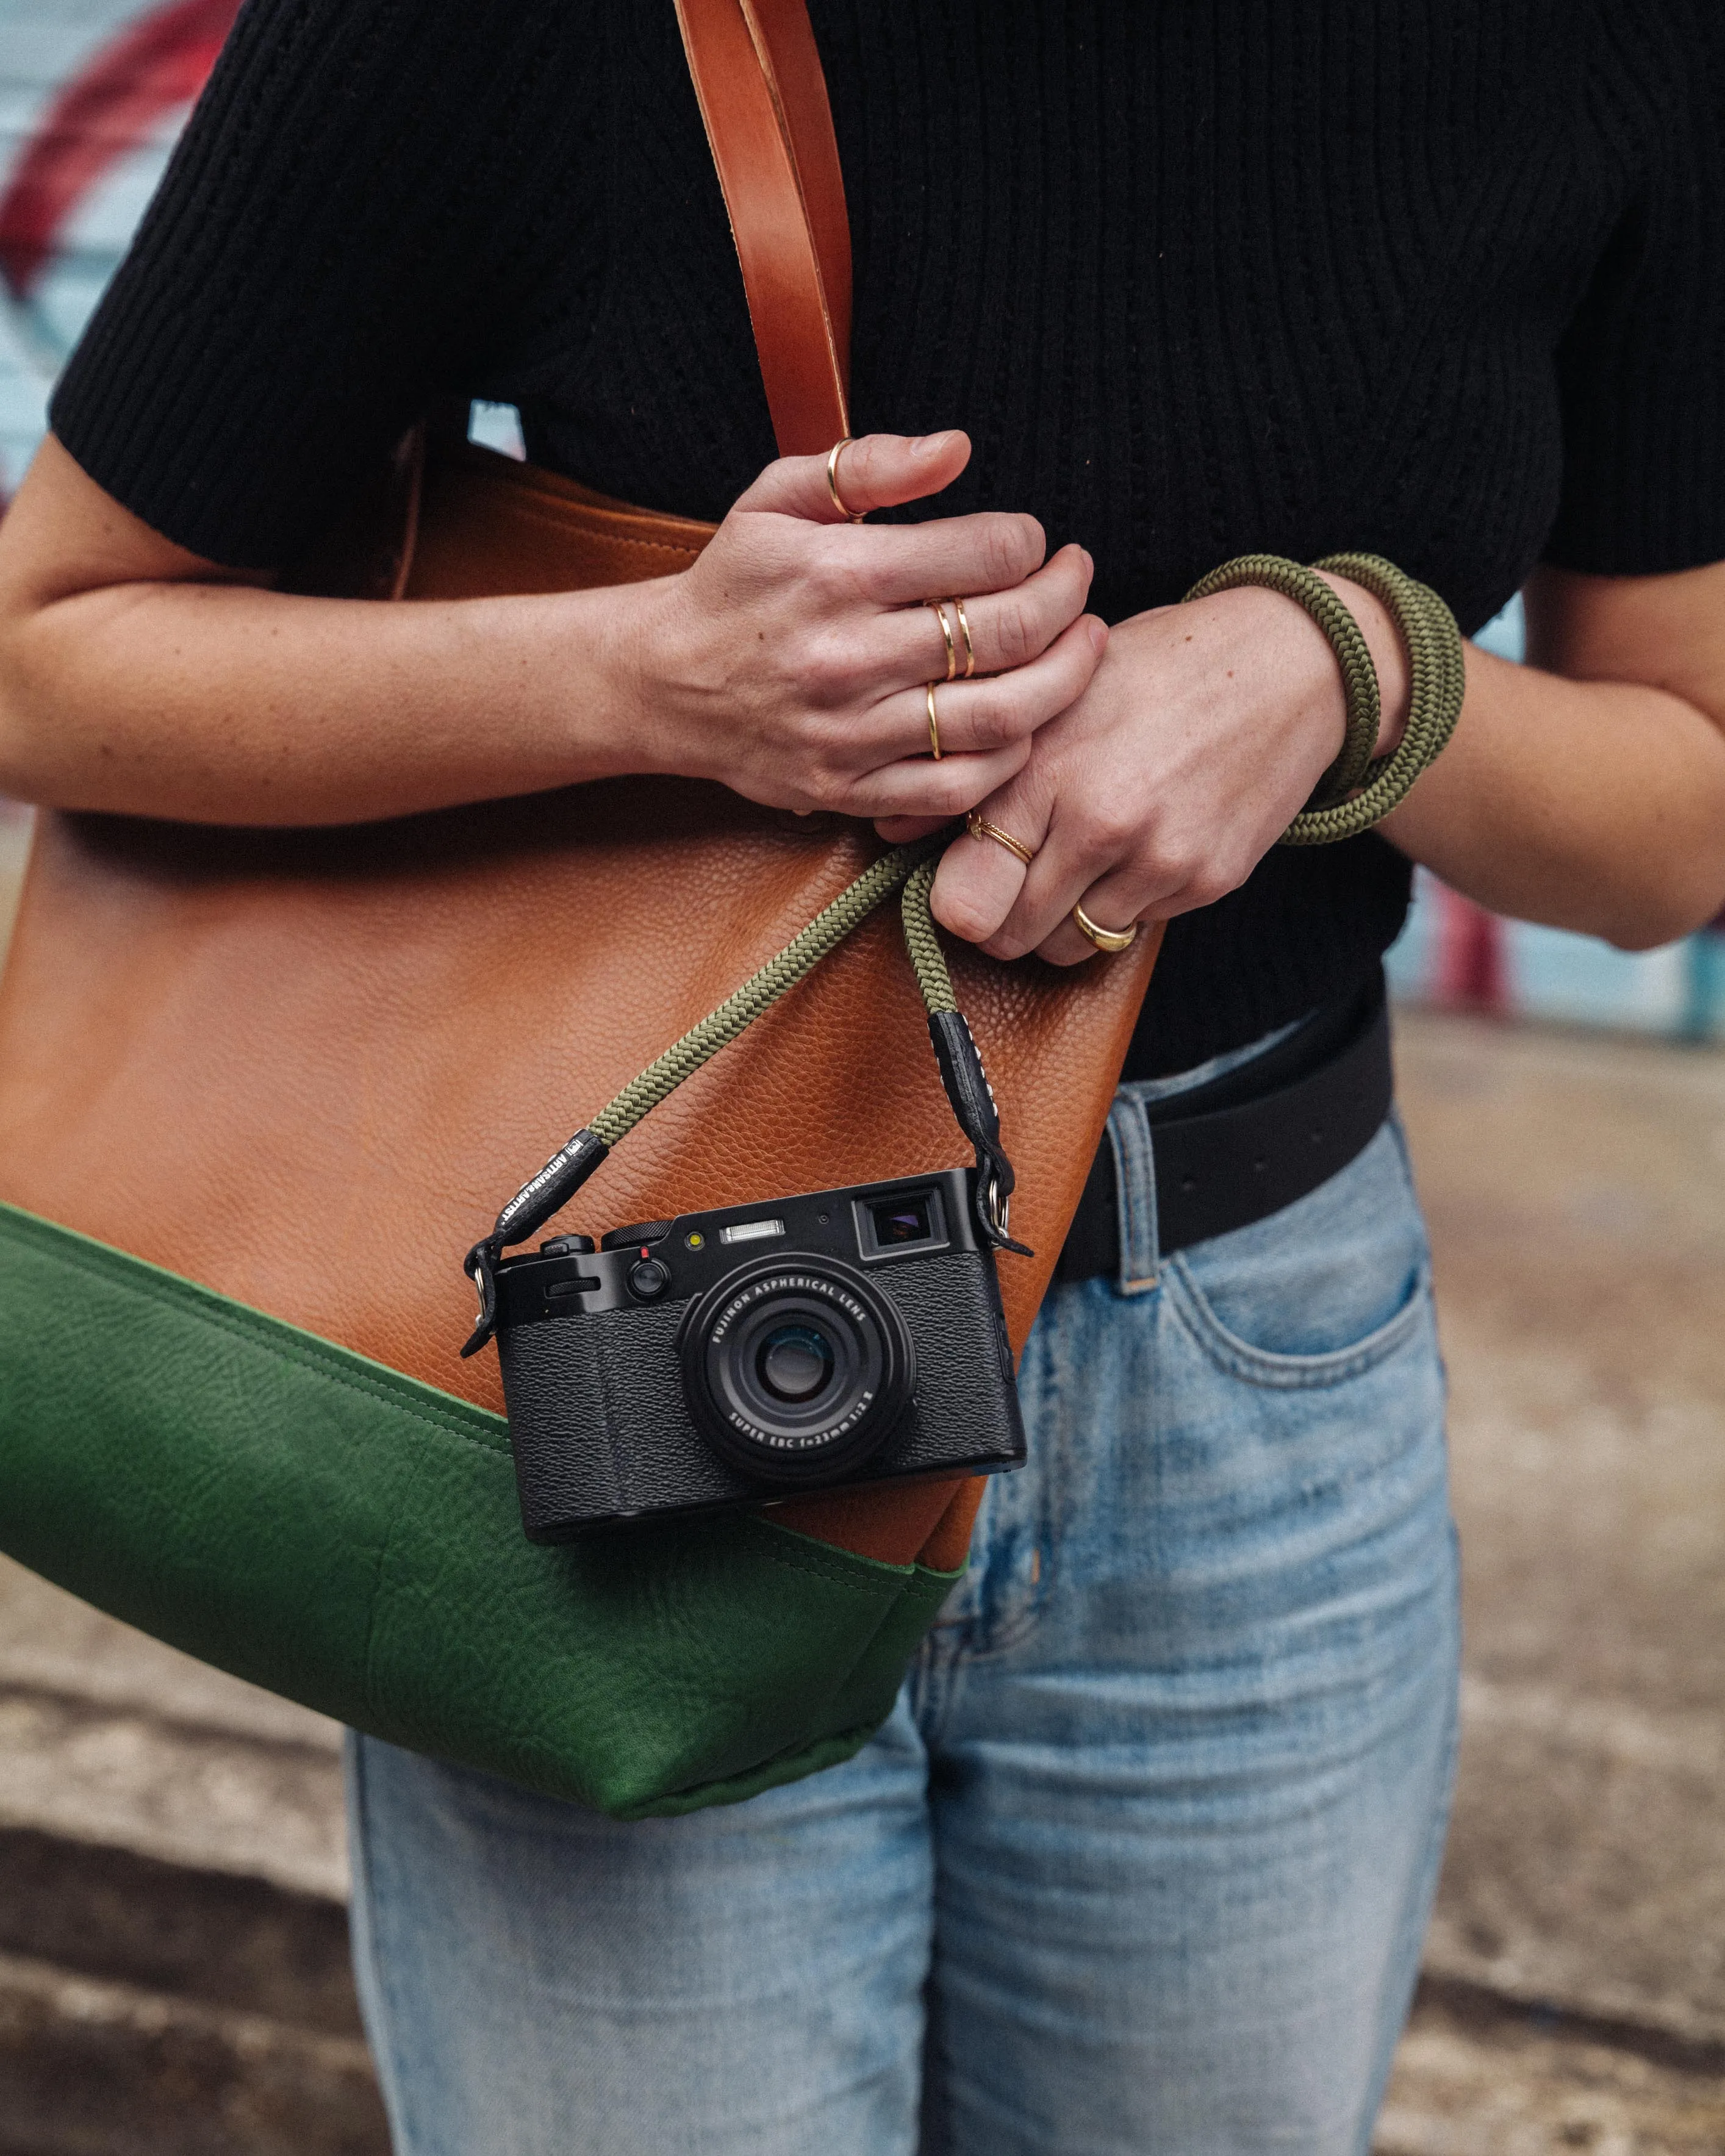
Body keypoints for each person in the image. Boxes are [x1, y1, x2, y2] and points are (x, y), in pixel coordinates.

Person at [2, 3, 1723, 2150]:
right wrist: (644, 673)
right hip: (639, 1339)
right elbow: (48, 645)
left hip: (1253, 1387)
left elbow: (1678, 811)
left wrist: (1354, 668)